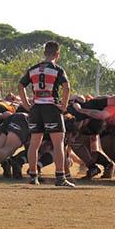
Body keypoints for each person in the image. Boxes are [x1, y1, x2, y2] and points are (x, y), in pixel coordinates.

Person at [18, 41, 74, 187]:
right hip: (51, 108)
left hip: (36, 109)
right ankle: (60, 178)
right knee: (58, 144)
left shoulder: (33, 69)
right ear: (57, 54)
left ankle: (32, 176)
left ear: (44, 53)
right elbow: (66, 87)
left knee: (34, 144)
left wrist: (25, 104)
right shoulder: (57, 69)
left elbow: (20, 85)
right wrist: (64, 105)